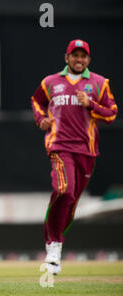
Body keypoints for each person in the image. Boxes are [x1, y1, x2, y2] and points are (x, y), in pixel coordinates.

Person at [31, 39, 118, 275]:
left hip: (87, 151)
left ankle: (55, 243)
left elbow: (111, 114)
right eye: (75, 55)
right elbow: (37, 101)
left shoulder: (99, 83)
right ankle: (53, 247)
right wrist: (41, 120)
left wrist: (91, 104)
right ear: (66, 57)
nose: (79, 60)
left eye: (83, 56)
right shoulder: (51, 82)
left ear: (88, 60)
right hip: (60, 147)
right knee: (64, 189)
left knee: (70, 202)